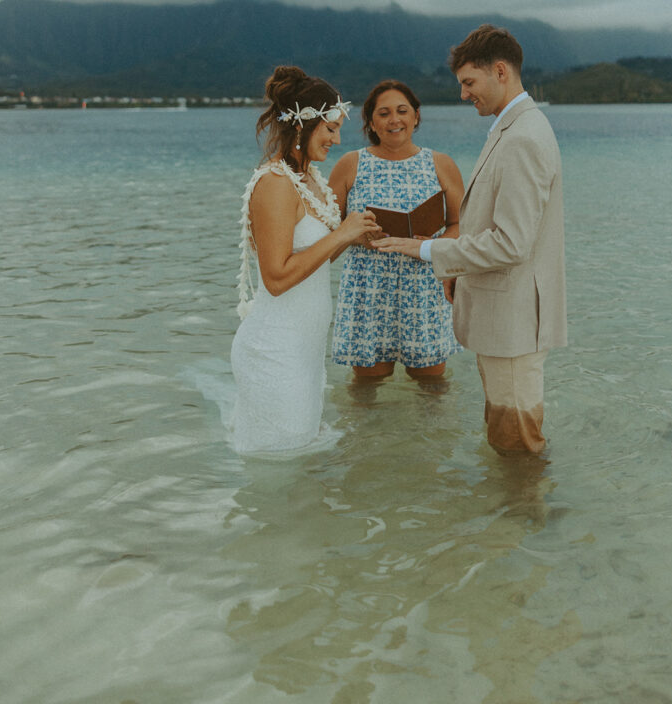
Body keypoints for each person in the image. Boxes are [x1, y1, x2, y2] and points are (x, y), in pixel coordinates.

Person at [374, 26, 566, 453]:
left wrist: (427, 249)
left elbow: (511, 244)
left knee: (516, 444)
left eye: (468, 83)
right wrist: (457, 270)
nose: (463, 95)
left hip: (514, 323)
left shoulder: (521, 138)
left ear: (500, 72)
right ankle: (514, 515)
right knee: (508, 436)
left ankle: (522, 518)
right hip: (506, 318)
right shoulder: (512, 128)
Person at [231, 65, 380, 452]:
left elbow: (312, 264)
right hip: (276, 350)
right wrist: (342, 232)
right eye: (330, 128)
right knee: (281, 471)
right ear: (302, 124)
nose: (337, 138)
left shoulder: (310, 180)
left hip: (305, 349)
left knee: (299, 469)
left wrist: (352, 238)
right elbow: (277, 279)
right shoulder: (276, 185)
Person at [329, 79, 465, 381]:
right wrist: (360, 236)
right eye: (384, 113)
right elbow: (328, 227)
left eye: (402, 111)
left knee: (432, 386)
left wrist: (433, 245)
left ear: (416, 116)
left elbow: (459, 224)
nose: (394, 120)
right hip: (367, 287)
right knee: (366, 387)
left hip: (424, 286)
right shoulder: (350, 164)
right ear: (371, 122)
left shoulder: (441, 163)